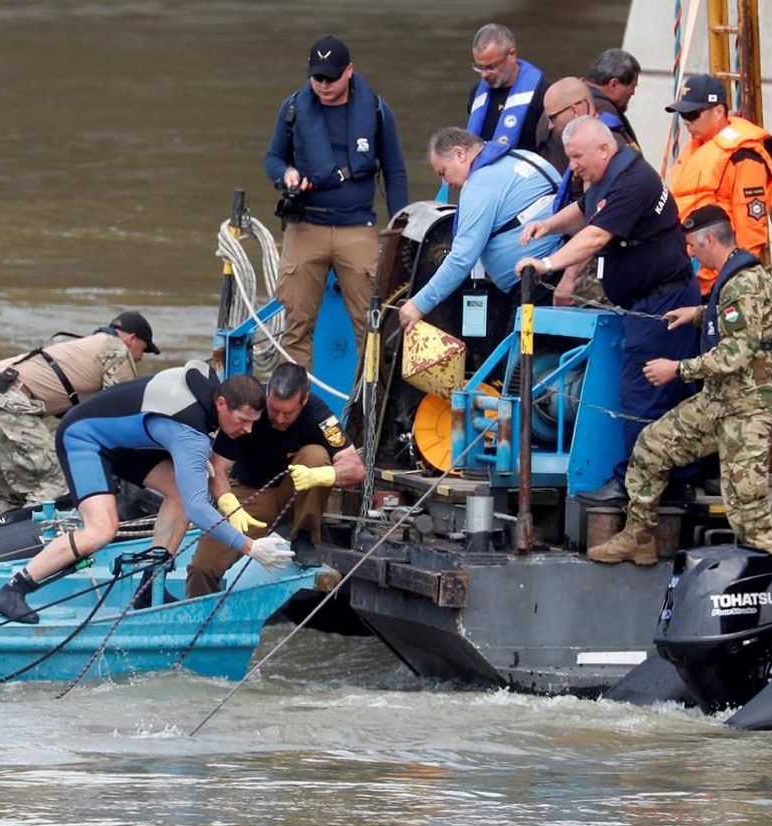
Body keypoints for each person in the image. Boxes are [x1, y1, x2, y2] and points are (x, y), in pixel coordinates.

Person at [0, 363, 294, 623]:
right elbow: (198, 508)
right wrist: (251, 547)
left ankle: (148, 586)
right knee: (101, 530)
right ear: (222, 404)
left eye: (253, 423)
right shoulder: (189, 434)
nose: (248, 430)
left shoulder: (209, 385)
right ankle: (13, 589)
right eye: (242, 421)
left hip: (125, 441)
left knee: (179, 491)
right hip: (84, 438)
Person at [516, 116, 701, 503]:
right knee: (659, 392)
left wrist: (547, 264)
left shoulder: (633, 182)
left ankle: (635, 483)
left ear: (603, 149)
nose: (572, 167)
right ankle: (673, 480)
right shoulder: (608, 173)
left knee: (643, 394)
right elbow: (585, 211)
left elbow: (596, 235)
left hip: (662, 301)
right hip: (645, 300)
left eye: (577, 157)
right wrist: (548, 225)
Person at [588, 205, 772, 564]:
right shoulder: (734, 277)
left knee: (747, 507)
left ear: (709, 240)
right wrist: (697, 314)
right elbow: (736, 319)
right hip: (719, 401)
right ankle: (638, 536)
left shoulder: (743, 282)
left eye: (693, 245)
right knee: (652, 445)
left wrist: (676, 369)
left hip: (748, 407)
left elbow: (735, 355)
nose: (690, 252)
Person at [263, 34, 408, 369]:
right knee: (295, 327)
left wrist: (400, 227)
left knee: (371, 326)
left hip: (357, 227)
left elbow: (395, 171)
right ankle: (294, 398)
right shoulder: (293, 108)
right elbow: (272, 158)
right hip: (305, 226)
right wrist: (286, 173)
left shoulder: (377, 111)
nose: (324, 85)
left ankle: (368, 399)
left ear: (349, 71)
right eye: (317, 78)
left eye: (331, 78)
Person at [185, 363, 365, 598]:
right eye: (274, 410)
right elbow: (217, 467)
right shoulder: (250, 405)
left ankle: (304, 536)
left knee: (316, 456)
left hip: (296, 493)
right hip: (251, 495)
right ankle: (200, 612)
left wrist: (320, 475)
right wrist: (228, 502)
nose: (279, 419)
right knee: (202, 567)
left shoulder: (318, 413)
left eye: (287, 413)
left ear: (304, 401)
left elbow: (355, 468)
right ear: (267, 394)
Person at [0, 312, 158, 514]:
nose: (141, 357)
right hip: (7, 399)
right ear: (131, 339)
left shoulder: (77, 347)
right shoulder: (116, 349)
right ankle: (37, 529)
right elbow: (121, 412)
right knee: (55, 483)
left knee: (8, 492)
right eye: (144, 349)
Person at [397, 127, 561, 335]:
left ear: (460, 154)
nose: (446, 183)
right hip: (557, 269)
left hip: (538, 284)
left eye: (443, 172)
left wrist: (419, 304)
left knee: (523, 355)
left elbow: (461, 258)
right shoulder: (523, 157)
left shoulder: (480, 183)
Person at [666, 74, 772, 295]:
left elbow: (750, 232)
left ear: (718, 111)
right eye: (683, 115)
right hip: (690, 274)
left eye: (692, 114)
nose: (686, 122)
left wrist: (730, 283)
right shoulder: (696, 148)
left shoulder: (743, 156)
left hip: (722, 283)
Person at [539, 77, 632, 305]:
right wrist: (547, 226)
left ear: (576, 109)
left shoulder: (600, 154)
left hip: (599, 264)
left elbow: (596, 223)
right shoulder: (601, 143)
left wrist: (570, 277)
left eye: (553, 117)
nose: (550, 126)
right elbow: (585, 205)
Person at [467, 23, 548, 154]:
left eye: (491, 67)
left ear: (512, 55)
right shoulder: (476, 93)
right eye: (479, 67)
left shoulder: (542, 94)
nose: (484, 75)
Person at [585, 49, 642, 150]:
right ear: (614, 84)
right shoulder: (604, 111)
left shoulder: (573, 99)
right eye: (632, 86)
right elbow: (621, 155)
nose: (632, 93)